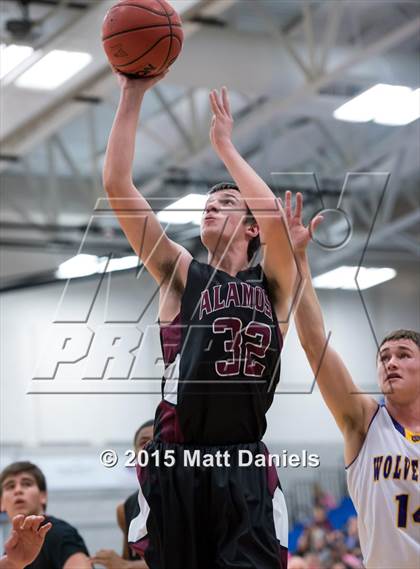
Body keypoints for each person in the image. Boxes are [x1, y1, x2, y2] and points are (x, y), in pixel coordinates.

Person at [103, 72, 296, 568]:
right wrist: (132, 93)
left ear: (252, 227)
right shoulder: (180, 274)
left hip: (245, 465)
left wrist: (225, 147)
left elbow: (274, 217)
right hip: (178, 461)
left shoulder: (273, 286)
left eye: (226, 203)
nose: (211, 207)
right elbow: (117, 186)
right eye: (208, 204)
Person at [285, 191, 420, 569]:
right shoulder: (364, 419)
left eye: (403, 355)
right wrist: (299, 260)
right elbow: (314, 344)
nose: (390, 363)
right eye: (384, 357)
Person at [0, 462, 91, 569]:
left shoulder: (59, 532)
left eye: (27, 483)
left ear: (43, 496)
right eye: (10, 486)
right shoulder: (11, 550)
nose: (18, 490)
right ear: (1, 503)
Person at [92, 420, 154, 569]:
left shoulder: (190, 498)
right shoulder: (125, 509)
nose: (152, 448)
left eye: (160, 440)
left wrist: (125, 565)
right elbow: (127, 562)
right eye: (144, 442)